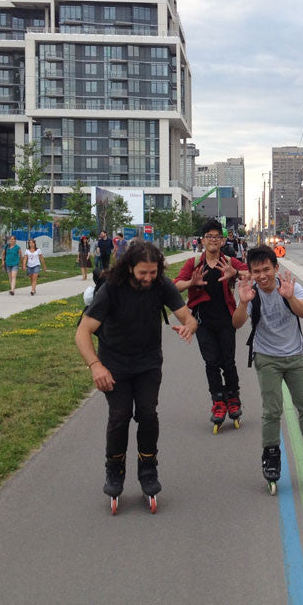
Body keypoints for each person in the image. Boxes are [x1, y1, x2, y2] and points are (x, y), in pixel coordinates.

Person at [74, 241, 198, 513]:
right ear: (130, 268)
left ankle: (148, 469)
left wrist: (189, 326)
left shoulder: (161, 285)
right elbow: (82, 333)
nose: (148, 278)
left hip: (148, 363)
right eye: (143, 273)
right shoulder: (112, 290)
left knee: (147, 414)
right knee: (119, 416)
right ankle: (115, 470)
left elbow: (187, 317)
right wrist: (96, 365)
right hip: (114, 364)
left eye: (153, 272)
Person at [232, 244, 303, 493]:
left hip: (295, 356)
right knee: (272, 410)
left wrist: (289, 296)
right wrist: (242, 303)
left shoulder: (290, 286)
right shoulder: (251, 292)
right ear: (251, 272)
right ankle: (271, 457)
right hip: (266, 357)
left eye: (266, 269)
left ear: (276, 268)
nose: (262, 275)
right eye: (256, 271)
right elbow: (236, 324)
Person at [174, 219, 248, 432]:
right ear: (203, 240)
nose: (213, 240)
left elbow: (250, 272)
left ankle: (233, 399)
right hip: (202, 322)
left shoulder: (229, 261)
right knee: (211, 362)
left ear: (223, 240)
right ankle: (218, 402)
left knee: (229, 362)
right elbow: (176, 285)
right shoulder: (194, 263)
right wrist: (191, 283)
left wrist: (236, 274)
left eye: (217, 237)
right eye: (209, 237)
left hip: (226, 320)